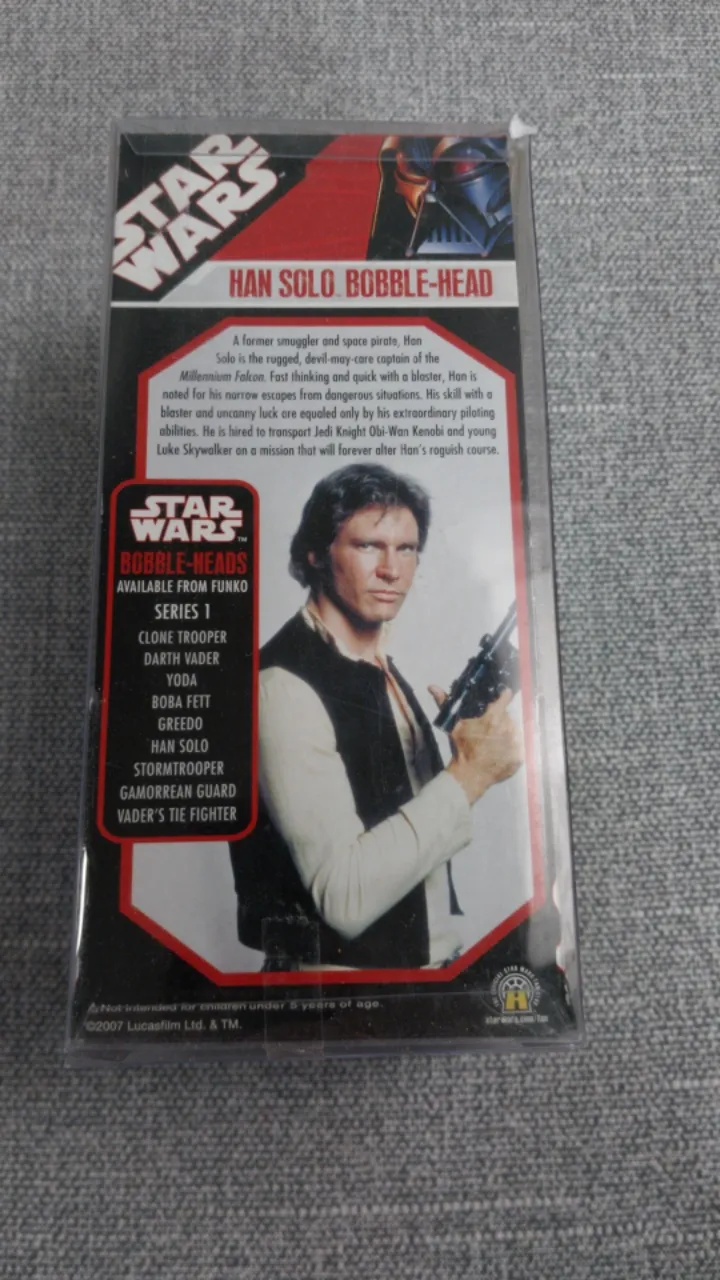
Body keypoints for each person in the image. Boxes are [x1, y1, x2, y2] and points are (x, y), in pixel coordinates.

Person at [230, 463, 523, 971]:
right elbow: (344, 897)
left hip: (421, 977)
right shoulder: (282, 687)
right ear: (316, 552)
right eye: (368, 545)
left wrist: (473, 753)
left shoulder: (377, 667)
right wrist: (470, 775)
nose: (392, 570)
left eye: (406, 549)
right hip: (341, 991)